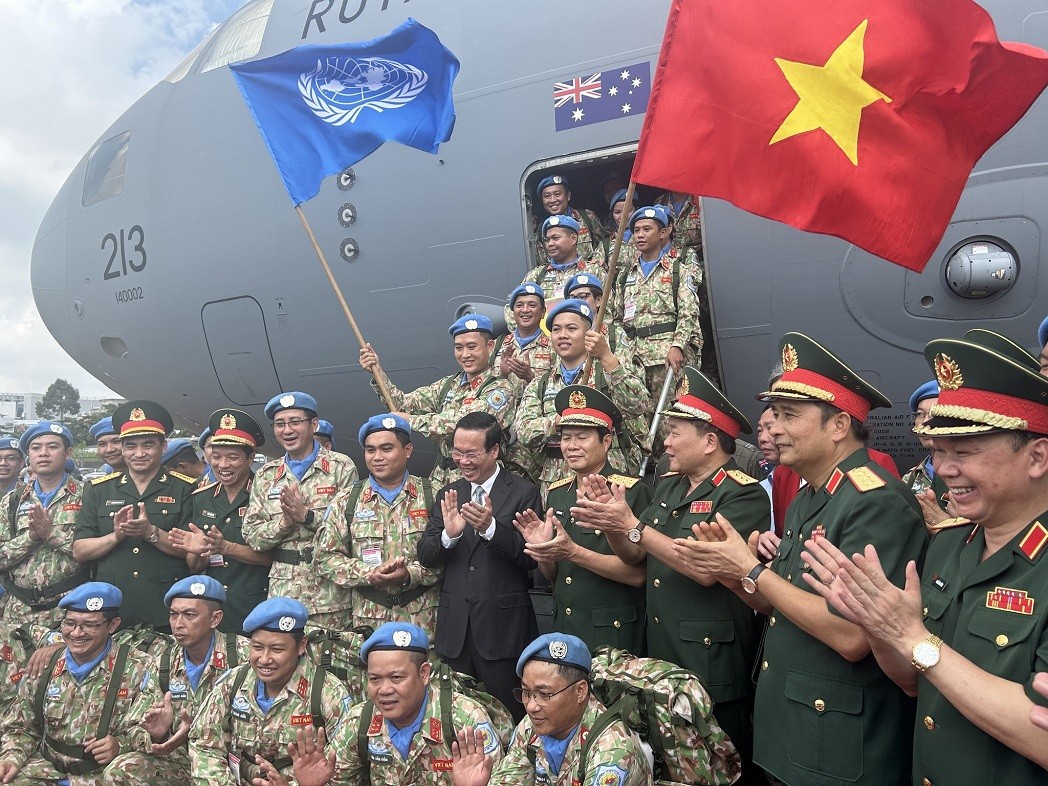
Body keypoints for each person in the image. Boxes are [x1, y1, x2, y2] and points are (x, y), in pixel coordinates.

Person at [659, 333, 927, 785]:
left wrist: (750, 569)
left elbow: (851, 636)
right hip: (794, 727)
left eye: (789, 415)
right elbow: (776, 601)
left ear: (839, 425)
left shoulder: (874, 501)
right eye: (774, 414)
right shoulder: (810, 494)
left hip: (838, 743)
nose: (773, 428)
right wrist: (730, 569)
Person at [803, 336, 1048, 782]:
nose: (945, 470)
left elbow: (1042, 735)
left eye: (964, 452)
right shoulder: (950, 544)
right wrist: (880, 627)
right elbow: (913, 682)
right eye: (937, 452)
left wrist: (915, 639)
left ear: (1036, 457)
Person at [571, 368, 770, 778]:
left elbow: (707, 570)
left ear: (710, 440)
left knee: (718, 769)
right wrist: (613, 524)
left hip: (709, 662)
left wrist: (633, 526)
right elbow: (633, 557)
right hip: (660, 658)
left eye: (676, 432)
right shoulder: (669, 487)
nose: (666, 442)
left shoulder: (742, 493)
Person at [266, 622, 507, 786]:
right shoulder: (360, 720)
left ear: (424, 674)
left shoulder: (464, 720)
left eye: (397, 678)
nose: (384, 690)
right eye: (374, 679)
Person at [417, 413, 542, 722]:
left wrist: (490, 529)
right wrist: (450, 535)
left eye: (471, 453)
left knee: (510, 717)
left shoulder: (523, 492)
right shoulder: (451, 492)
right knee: (457, 718)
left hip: (503, 631)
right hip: (455, 632)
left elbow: (531, 559)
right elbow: (425, 553)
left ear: (494, 450)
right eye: (457, 452)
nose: (463, 460)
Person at [514, 386, 649, 653]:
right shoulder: (556, 493)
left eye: (582, 437)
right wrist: (544, 554)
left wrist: (573, 552)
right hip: (567, 628)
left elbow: (638, 575)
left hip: (614, 633)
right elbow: (555, 577)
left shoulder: (631, 493)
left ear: (607, 441)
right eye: (566, 438)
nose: (571, 446)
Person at [0, 582, 164, 784]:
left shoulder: (139, 668)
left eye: (89, 625)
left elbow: (149, 730)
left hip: (102, 775)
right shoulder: (44, 666)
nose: (77, 633)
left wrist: (120, 745)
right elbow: (21, 728)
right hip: (46, 770)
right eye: (70, 623)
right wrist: (11, 758)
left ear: (112, 625)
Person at [451, 632, 652, 786]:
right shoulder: (533, 726)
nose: (531, 706)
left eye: (545, 694)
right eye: (526, 692)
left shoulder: (612, 752)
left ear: (580, 691)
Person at [189, 597, 352, 786]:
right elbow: (203, 744)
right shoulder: (234, 682)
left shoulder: (329, 694)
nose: (264, 659)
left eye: (277, 649)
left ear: (301, 646)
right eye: (257, 647)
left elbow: (344, 768)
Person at [110, 575, 248, 784]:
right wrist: (158, 736)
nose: (178, 624)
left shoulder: (243, 656)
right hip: (182, 761)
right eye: (174, 615)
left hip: (230, 761)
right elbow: (131, 728)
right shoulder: (164, 663)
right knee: (121, 771)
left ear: (215, 618)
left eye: (189, 615)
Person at [315, 415, 442, 638]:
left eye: (386, 449)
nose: (377, 457)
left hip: (423, 620)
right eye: (370, 450)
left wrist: (410, 574)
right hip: (369, 623)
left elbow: (449, 556)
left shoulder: (432, 496)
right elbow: (325, 558)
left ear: (408, 450)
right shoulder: (348, 501)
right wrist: (368, 573)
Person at [73, 400, 195, 630]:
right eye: (130, 446)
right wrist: (115, 536)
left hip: (166, 607)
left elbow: (193, 552)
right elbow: (80, 551)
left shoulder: (185, 488)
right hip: (112, 609)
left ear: (163, 447)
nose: (139, 453)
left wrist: (151, 532)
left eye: (148, 445)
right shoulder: (99, 489)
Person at [242, 392, 358, 628]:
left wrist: (307, 517)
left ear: (313, 425)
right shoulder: (266, 476)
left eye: (295, 422)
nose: (287, 430)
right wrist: (283, 524)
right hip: (283, 588)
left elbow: (350, 529)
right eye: (280, 424)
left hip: (329, 591)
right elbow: (253, 537)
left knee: (329, 658)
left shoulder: (340, 467)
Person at [360, 316, 517, 488]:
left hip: (478, 480)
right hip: (442, 480)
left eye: (472, 347)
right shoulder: (448, 386)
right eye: (459, 348)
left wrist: (411, 421)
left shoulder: (500, 389)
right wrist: (377, 372)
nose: (465, 355)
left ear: (490, 346)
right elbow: (401, 404)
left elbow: (463, 425)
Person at [514, 299, 651, 497]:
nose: (563, 336)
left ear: (589, 334)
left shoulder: (608, 372)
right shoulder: (541, 384)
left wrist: (607, 358)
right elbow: (524, 432)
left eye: (571, 328)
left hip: (606, 476)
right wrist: (561, 421)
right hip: (557, 480)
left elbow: (639, 405)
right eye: (556, 330)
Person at [170, 408, 273, 634]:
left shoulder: (266, 495)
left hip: (255, 603)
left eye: (233, 457)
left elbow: (272, 557)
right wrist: (197, 551)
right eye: (216, 457)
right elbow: (195, 566)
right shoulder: (201, 497)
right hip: (215, 606)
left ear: (250, 459)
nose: (223, 465)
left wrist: (226, 547)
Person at [0, 421, 88, 627]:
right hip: (18, 611)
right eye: (36, 448)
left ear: (68, 453)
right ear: (28, 457)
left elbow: (95, 552)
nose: (43, 453)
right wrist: (30, 537)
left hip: (71, 609)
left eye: (53, 446)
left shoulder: (88, 496)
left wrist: (51, 534)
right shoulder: (12, 501)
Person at [613, 205, 704, 396]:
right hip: (635, 359)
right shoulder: (625, 275)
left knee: (669, 418)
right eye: (636, 230)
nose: (640, 235)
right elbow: (617, 317)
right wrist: (622, 354)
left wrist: (678, 346)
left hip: (666, 356)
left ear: (662, 233)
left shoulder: (678, 269)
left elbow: (689, 313)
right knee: (641, 420)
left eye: (647, 229)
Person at [506, 215, 607, 332]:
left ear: (573, 238)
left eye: (555, 238)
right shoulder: (536, 276)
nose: (549, 244)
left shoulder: (595, 272)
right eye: (547, 240)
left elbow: (607, 311)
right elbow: (511, 308)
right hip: (545, 345)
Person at [901, 380, 952, 533]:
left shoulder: (973, 473)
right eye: (920, 414)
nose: (925, 422)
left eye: (935, 414)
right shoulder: (910, 478)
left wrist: (952, 529)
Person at [535, 174, 608, 263]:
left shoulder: (587, 217)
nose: (553, 200)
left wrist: (595, 266)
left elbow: (605, 244)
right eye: (547, 196)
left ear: (568, 196)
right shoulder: (541, 228)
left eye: (557, 194)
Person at [493, 284, 553, 389]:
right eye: (519, 305)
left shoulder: (554, 347)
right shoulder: (496, 346)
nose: (525, 310)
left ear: (543, 312)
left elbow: (557, 390)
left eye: (532, 305)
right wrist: (502, 375)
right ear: (513, 312)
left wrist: (530, 377)